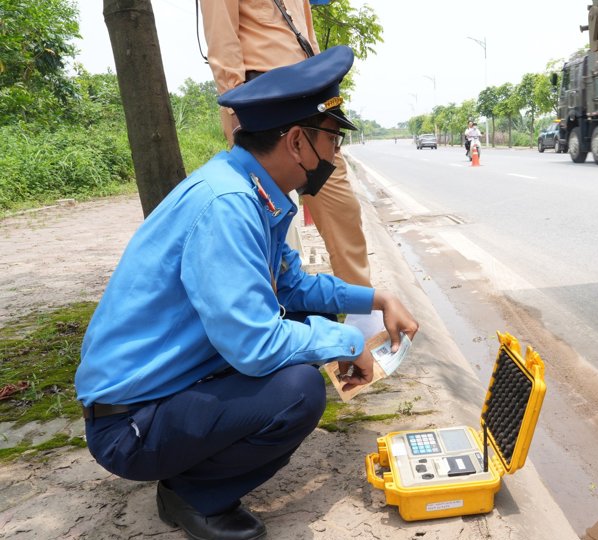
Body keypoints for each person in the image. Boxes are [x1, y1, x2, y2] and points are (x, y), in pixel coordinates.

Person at [75, 47, 419, 540]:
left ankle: (188, 472)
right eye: (332, 139)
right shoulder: (228, 206)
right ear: (297, 142)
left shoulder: (251, 190)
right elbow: (255, 347)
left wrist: (376, 299)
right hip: (128, 425)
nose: (337, 154)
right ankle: (194, 496)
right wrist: (348, 344)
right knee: (297, 390)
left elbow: (293, 286)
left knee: (298, 331)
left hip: (164, 391)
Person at [200, 0, 371, 287]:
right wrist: (237, 112)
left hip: (309, 101)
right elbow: (222, 38)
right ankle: (272, 311)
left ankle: (363, 310)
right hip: (262, 104)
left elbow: (308, 39)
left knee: (342, 210)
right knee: (268, 219)